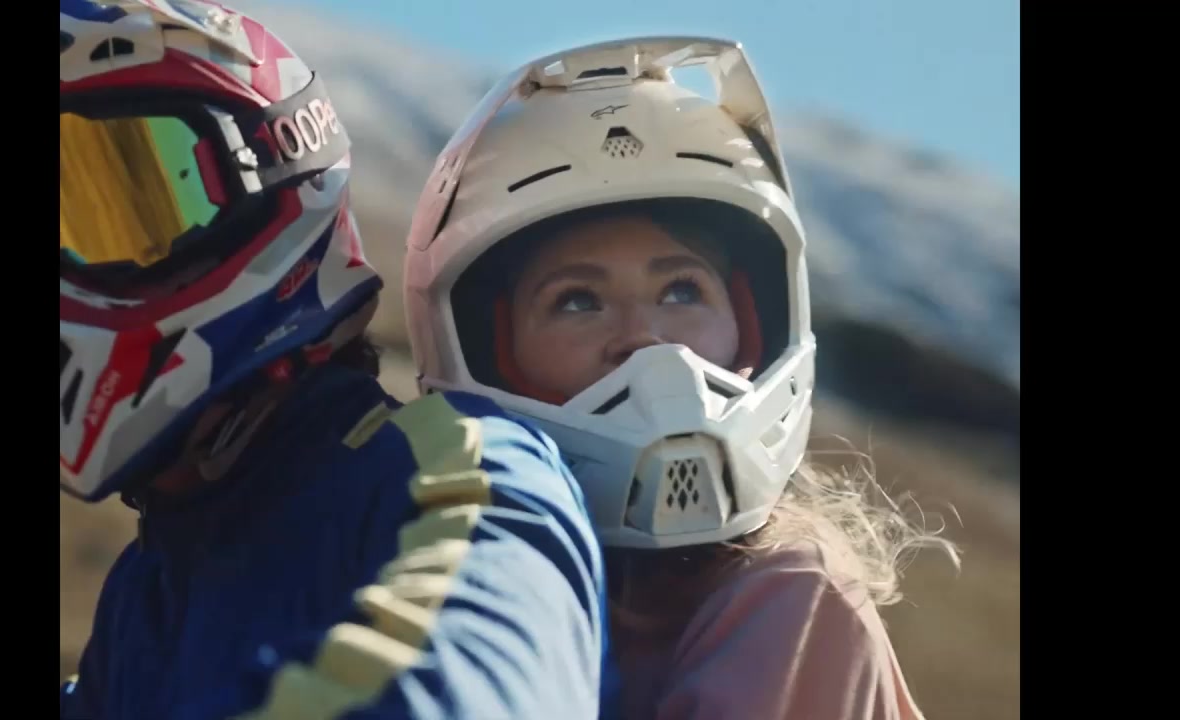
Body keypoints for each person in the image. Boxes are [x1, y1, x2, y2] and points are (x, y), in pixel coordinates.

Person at [59, 2, 611, 718]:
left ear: (268, 178)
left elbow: (463, 690)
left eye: (118, 212)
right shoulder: (149, 584)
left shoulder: (467, 473)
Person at [404, 36, 959, 720]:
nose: (646, 337)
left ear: (753, 324)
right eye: (578, 301)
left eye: (681, 291)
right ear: (485, 352)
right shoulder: (474, 578)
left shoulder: (791, 599)